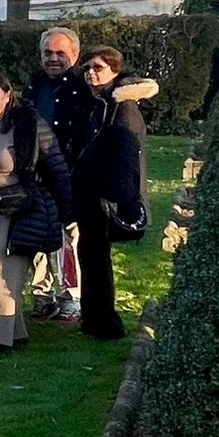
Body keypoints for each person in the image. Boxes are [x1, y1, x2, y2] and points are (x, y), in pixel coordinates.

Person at [0, 74, 73, 351]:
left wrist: (68, 213)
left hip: (19, 206)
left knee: (0, 269)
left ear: (8, 95)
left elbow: (55, 163)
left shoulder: (28, 122)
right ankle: (13, 331)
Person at [75, 46, 156, 341]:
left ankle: (105, 323)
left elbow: (127, 153)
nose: (91, 73)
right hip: (92, 192)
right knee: (91, 256)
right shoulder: (100, 101)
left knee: (97, 258)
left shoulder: (123, 106)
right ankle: (93, 318)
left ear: (114, 71)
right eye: (88, 68)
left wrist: (116, 196)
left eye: (98, 68)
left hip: (104, 195)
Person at [22, 26, 89, 322]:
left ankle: (70, 295)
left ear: (74, 55)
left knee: (68, 237)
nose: (53, 58)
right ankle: (42, 295)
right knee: (37, 232)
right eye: (47, 53)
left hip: (70, 173)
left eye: (60, 53)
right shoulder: (34, 86)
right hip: (35, 174)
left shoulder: (83, 88)